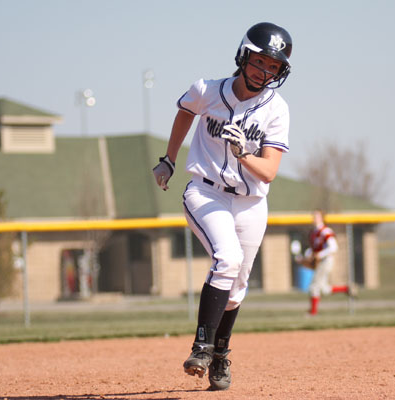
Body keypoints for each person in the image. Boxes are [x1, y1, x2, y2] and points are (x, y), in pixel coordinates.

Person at [152, 22, 293, 391]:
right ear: (244, 56)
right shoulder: (208, 91)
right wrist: (168, 158)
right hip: (206, 191)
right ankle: (202, 345)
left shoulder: (276, 110)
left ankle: (220, 355)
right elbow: (185, 110)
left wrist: (244, 153)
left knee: (238, 286)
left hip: (250, 202)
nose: (265, 72)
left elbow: (270, 171)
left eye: (274, 67)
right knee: (226, 259)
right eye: (260, 61)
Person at [295, 209, 355, 316]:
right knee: (323, 288)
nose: (314, 218)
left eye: (317, 216)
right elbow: (313, 250)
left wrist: (321, 254)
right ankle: (346, 289)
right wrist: (305, 257)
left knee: (314, 287)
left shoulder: (325, 231)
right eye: (313, 216)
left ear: (322, 218)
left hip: (326, 261)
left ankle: (313, 313)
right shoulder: (313, 233)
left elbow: (334, 247)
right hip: (320, 262)